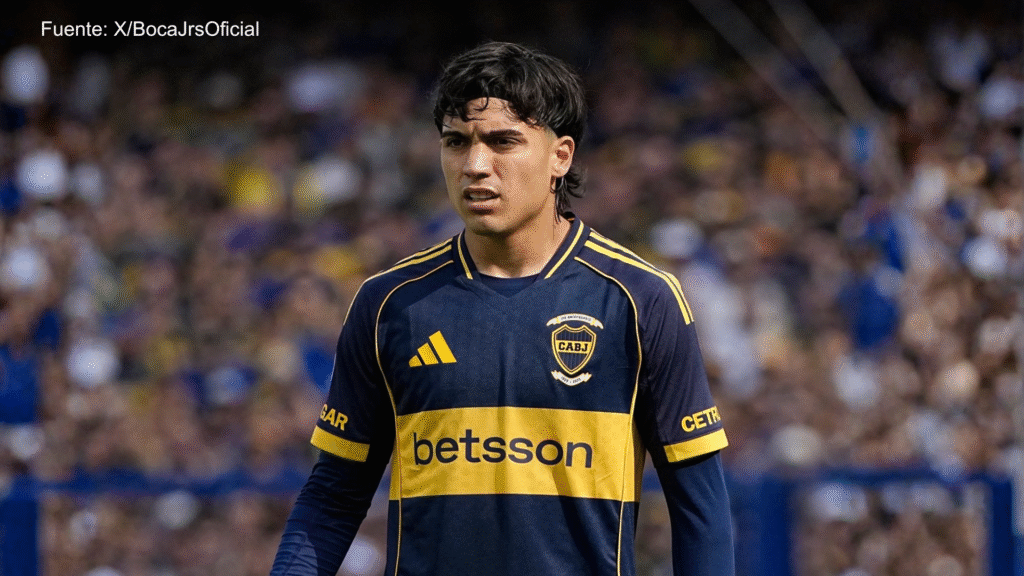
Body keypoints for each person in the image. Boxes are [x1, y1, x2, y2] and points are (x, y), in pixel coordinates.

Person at [269, 41, 734, 576]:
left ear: (561, 156)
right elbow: (333, 495)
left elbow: (700, 508)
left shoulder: (641, 300)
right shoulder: (389, 303)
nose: (475, 165)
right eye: (456, 141)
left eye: (502, 141)